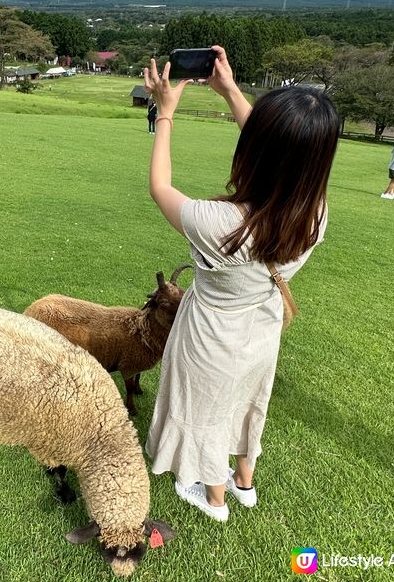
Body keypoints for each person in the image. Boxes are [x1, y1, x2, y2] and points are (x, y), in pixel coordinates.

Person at [142, 46, 339, 522]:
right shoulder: (314, 214)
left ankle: (214, 499)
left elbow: (160, 189)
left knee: (207, 409)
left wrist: (165, 116)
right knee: (247, 401)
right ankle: (244, 483)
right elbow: (281, 152)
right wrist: (230, 91)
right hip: (261, 329)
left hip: (211, 335)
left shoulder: (223, 223)